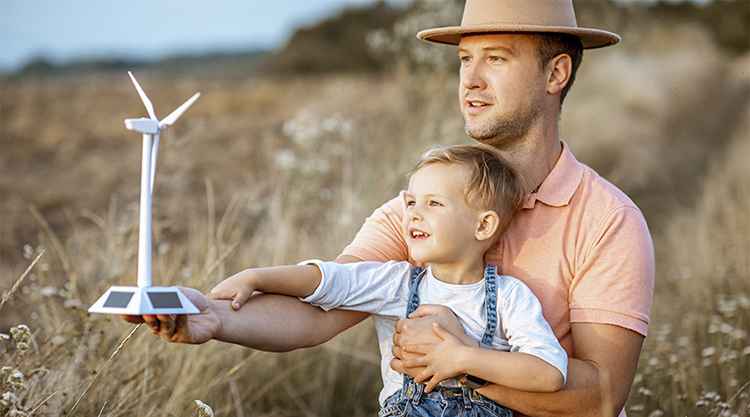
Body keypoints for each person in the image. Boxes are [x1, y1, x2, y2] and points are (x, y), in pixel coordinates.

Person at [123, 1, 655, 416]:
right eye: (465, 59)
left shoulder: (607, 221)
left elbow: (599, 399)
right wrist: (213, 317)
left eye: (496, 57)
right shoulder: (420, 211)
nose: (469, 81)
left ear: (555, 73)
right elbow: (320, 310)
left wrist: (459, 359)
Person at [207, 145, 568, 416]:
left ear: (483, 225)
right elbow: (329, 279)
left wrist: (461, 357)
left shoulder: (509, 297)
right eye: (411, 202)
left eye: (433, 204)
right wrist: (256, 277)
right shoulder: (395, 283)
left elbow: (549, 374)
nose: (412, 214)